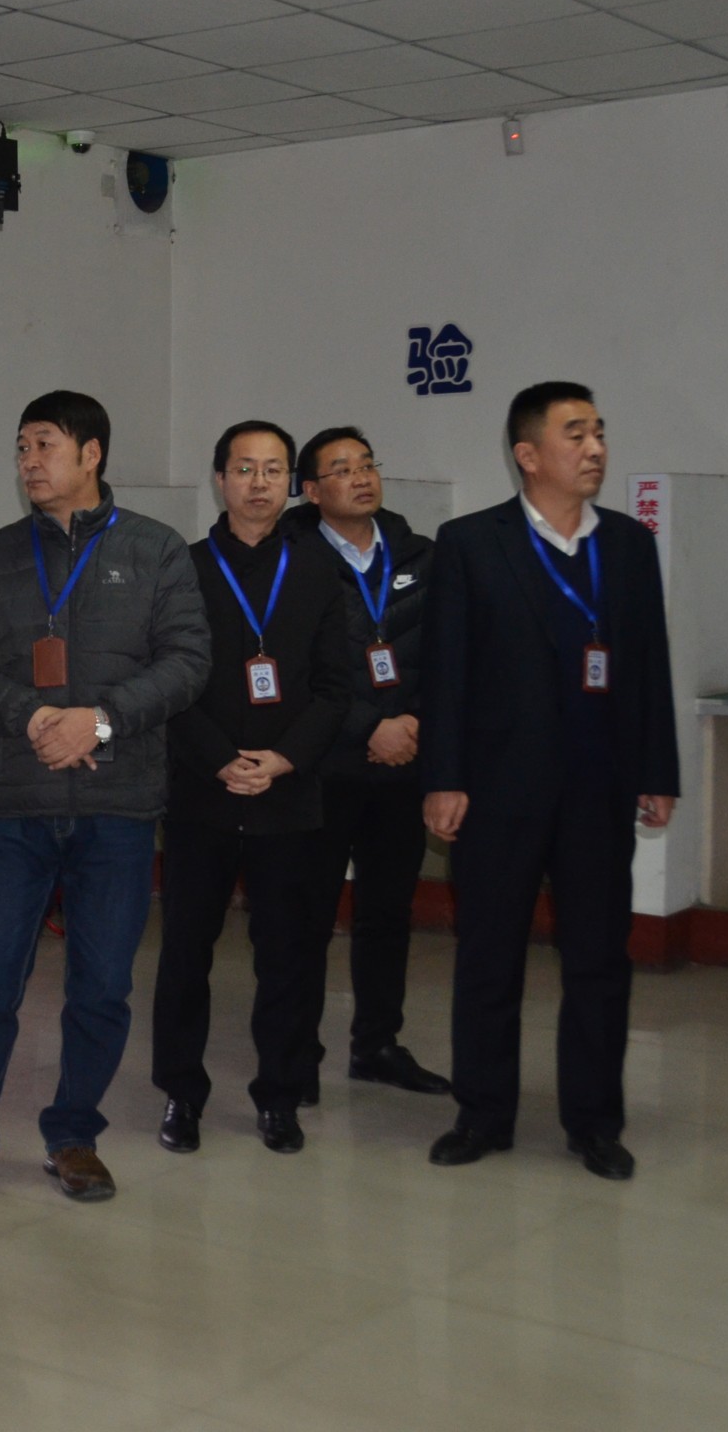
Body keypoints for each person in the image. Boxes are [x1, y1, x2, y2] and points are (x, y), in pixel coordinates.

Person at [0, 390, 210, 1213]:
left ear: (92, 454)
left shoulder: (156, 550)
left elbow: (188, 660)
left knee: (102, 985)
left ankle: (74, 1136)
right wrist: (34, 717)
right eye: (21, 448)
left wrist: (100, 720)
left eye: (44, 445)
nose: (28, 462)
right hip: (16, 801)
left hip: (118, 805)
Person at [422, 382, 678, 1181]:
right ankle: (482, 1114)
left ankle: (595, 1122)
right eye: (576, 434)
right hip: (498, 790)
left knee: (599, 959)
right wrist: (444, 777)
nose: (595, 448)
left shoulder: (628, 545)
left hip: (599, 789)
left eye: (599, 431)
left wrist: (657, 769)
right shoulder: (471, 542)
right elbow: (446, 671)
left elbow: (648, 665)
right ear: (528, 455)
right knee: (489, 955)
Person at [153, 421, 355, 1156]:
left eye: (273, 469)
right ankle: (181, 1092)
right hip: (202, 793)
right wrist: (219, 760)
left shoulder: (317, 570)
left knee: (288, 955)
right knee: (186, 953)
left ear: (292, 484)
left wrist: (283, 759)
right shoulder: (183, 568)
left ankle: (280, 1094)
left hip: (288, 794)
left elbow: (335, 687)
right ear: (220, 479)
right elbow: (168, 679)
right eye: (244, 468)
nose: (259, 482)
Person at [285, 430, 452, 1099]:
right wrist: (368, 726)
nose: (361, 478)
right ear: (311, 490)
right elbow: (289, 669)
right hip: (323, 769)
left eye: (367, 465)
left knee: (387, 914)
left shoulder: (422, 556)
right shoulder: (290, 560)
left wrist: (416, 725)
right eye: (341, 469)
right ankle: (295, 1054)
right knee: (305, 917)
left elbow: (451, 654)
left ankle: (377, 1045)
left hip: (400, 769)